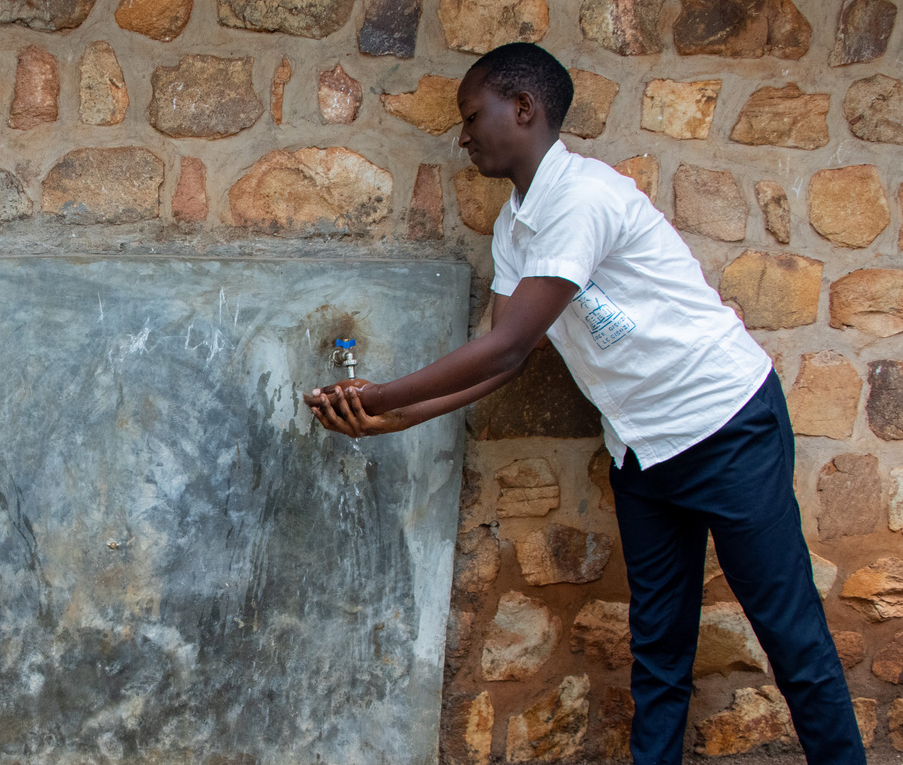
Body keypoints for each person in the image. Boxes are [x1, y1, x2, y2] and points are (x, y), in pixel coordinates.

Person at [304, 42, 864, 765]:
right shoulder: (516, 226)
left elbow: (504, 350)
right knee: (659, 647)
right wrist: (393, 418)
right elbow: (510, 355)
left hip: (725, 427)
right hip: (643, 450)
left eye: (473, 116)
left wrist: (378, 393)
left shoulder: (585, 198)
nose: (463, 134)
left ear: (525, 108)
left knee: (791, 636)